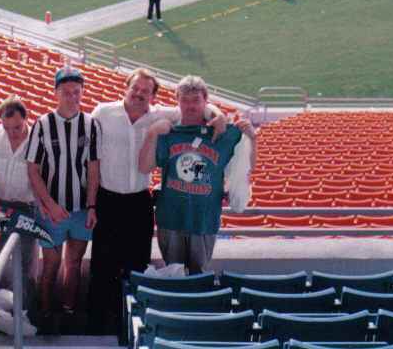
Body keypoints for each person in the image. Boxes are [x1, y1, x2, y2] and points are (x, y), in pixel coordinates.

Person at [87, 68, 227, 334]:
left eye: (146, 91)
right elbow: (91, 160)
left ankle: (129, 325)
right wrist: (91, 204)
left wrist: (218, 115)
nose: (139, 94)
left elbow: (195, 107)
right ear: (126, 88)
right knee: (101, 266)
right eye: (135, 88)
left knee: (137, 266)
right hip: (107, 199)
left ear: (153, 97)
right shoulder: (103, 112)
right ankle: (96, 326)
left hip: (138, 202)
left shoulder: (161, 115)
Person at [139, 75, 256, 274]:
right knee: (173, 273)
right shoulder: (168, 131)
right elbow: (145, 166)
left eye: (196, 100)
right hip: (171, 219)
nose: (190, 106)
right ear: (177, 101)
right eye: (185, 100)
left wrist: (253, 139)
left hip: (204, 220)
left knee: (198, 276)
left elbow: (247, 167)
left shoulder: (223, 134)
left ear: (205, 101)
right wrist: (152, 135)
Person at [26, 66, 101, 334]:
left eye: (76, 92)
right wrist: (48, 204)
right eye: (66, 92)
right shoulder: (43, 124)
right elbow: (32, 169)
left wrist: (92, 205)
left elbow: (93, 168)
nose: (72, 97)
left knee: (74, 263)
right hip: (50, 210)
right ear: (56, 92)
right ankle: (46, 312)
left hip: (81, 209)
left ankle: (68, 311)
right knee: (50, 264)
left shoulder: (91, 124)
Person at [0, 96, 39, 316]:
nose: (11, 133)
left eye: (16, 127)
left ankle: (23, 312)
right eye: (7, 128)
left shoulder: (37, 138)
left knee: (25, 262)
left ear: (26, 119)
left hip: (26, 207)